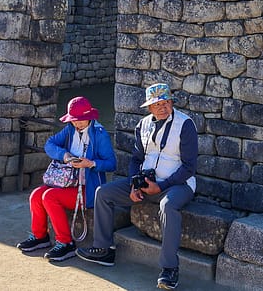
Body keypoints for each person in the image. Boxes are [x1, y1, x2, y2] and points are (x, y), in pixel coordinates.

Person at [77, 82, 198, 290]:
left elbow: (189, 167)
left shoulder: (185, 124)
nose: (163, 107)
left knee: (168, 206)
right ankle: (103, 249)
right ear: (149, 107)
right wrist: (134, 184)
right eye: (157, 104)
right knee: (103, 193)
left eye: (166, 102)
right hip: (145, 182)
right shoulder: (143, 125)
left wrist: (161, 187)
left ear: (171, 103)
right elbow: (136, 159)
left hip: (177, 184)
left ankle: (169, 269)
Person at [17, 96, 116, 262]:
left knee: (49, 197)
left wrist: (90, 163)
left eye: (80, 120)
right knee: (36, 194)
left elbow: (111, 164)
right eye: (74, 120)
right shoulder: (70, 129)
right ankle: (40, 236)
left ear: (89, 117)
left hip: (88, 188)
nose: (77, 124)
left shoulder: (100, 135)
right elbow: (50, 144)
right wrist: (65, 155)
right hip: (67, 183)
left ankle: (65, 243)